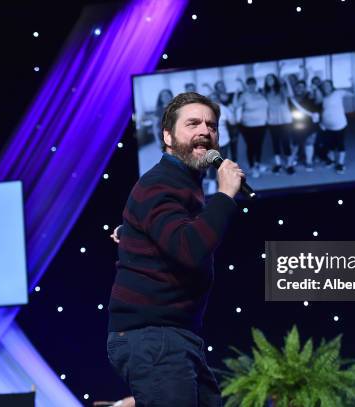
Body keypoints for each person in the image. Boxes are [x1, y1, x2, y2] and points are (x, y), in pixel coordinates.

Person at [107, 92, 243, 407]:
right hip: (153, 336)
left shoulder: (182, 184)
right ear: (167, 136)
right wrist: (225, 194)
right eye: (193, 123)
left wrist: (132, 234)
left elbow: (167, 233)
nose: (205, 131)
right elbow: (189, 248)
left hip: (176, 335)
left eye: (211, 126)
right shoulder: (161, 183)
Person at [233, 77, 268, 178]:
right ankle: (253, 167)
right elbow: (235, 106)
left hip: (262, 125)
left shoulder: (260, 94)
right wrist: (236, 93)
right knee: (251, 146)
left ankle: (258, 164)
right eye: (250, 84)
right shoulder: (244, 95)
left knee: (259, 145)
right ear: (247, 85)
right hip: (248, 126)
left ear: (255, 84)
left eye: (253, 83)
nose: (252, 85)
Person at [318, 80, 353, 174]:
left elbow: (351, 93)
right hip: (327, 126)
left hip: (340, 125)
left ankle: (340, 164)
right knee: (330, 145)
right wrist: (322, 122)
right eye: (324, 86)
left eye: (328, 85)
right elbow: (322, 110)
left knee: (340, 145)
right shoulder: (323, 97)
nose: (326, 87)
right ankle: (332, 161)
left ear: (331, 86)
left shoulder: (338, 93)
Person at [264, 72, 295, 174]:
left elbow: (291, 94)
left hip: (285, 120)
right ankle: (278, 164)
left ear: (275, 80)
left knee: (286, 143)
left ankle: (289, 165)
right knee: (275, 143)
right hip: (272, 121)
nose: (270, 81)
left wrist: (286, 81)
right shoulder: (265, 93)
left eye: (271, 79)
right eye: (268, 79)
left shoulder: (282, 90)